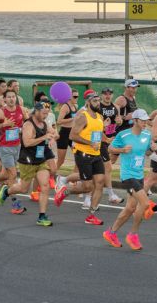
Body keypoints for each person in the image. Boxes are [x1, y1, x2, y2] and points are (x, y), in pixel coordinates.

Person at [0, 100, 58, 225]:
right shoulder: (28, 125)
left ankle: (42, 217)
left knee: (45, 186)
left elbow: (55, 133)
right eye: (43, 113)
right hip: (27, 159)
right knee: (24, 189)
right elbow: (27, 142)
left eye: (47, 113)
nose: (45, 116)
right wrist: (44, 137)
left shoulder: (44, 123)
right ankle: (7, 191)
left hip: (40, 159)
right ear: (36, 111)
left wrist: (53, 138)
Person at [53, 90, 106, 226]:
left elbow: (97, 133)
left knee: (100, 182)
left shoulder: (100, 117)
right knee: (87, 187)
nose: (98, 103)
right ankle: (66, 191)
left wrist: (107, 140)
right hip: (83, 154)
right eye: (95, 101)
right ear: (88, 102)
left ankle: (91, 215)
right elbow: (72, 136)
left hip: (96, 154)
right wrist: (90, 143)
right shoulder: (83, 116)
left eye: (98, 100)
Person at [102, 109, 152, 251]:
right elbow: (110, 149)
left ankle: (111, 233)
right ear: (134, 121)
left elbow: (147, 151)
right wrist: (122, 150)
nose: (145, 123)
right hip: (127, 175)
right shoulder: (123, 135)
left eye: (146, 120)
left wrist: (153, 149)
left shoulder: (147, 135)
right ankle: (133, 235)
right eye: (142, 120)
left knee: (130, 208)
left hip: (139, 175)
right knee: (145, 203)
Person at [0, 89, 26, 214]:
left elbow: (28, 123)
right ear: (4, 99)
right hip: (5, 148)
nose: (11, 99)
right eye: (9, 97)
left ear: (16, 98)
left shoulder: (21, 110)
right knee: (13, 174)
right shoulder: (1, 112)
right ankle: (15, 203)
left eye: (13, 97)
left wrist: (22, 129)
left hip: (17, 146)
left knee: (5, 175)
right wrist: (4, 125)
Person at [55, 88, 78, 171]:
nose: (77, 98)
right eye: (75, 96)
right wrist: (72, 119)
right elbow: (59, 121)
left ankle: (74, 177)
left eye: (77, 96)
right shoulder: (65, 107)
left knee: (78, 157)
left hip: (72, 135)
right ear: (69, 97)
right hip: (64, 135)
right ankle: (51, 175)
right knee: (61, 161)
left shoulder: (75, 106)